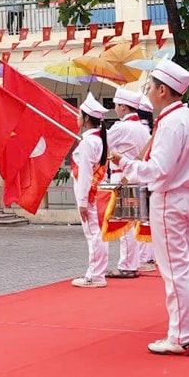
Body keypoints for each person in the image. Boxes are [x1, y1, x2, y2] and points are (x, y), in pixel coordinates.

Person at [118, 60, 189, 356]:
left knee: (175, 269)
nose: (148, 93)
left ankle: (181, 335)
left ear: (163, 90)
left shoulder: (171, 122)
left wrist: (127, 164)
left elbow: (160, 170)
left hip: (171, 197)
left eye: (150, 87)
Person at [106, 89, 152, 276]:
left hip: (123, 176)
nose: (115, 109)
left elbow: (103, 145)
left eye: (116, 106)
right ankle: (135, 261)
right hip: (140, 176)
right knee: (136, 222)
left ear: (123, 107)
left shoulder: (121, 127)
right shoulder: (143, 128)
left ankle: (127, 265)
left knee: (125, 224)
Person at [69, 95, 109, 288]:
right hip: (97, 192)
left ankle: (95, 275)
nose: (77, 117)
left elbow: (85, 174)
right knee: (97, 232)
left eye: (79, 114)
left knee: (93, 233)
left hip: (90, 194)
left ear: (86, 119)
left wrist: (83, 202)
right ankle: (96, 272)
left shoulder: (88, 143)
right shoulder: (98, 140)